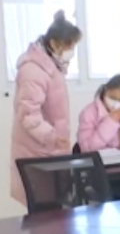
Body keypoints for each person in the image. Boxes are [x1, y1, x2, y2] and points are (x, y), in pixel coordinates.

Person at [9, 10, 82, 205]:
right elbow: (28, 115)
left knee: (57, 209)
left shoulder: (51, 66)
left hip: (51, 151)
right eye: (70, 45)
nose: (72, 51)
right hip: (37, 152)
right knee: (45, 211)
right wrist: (52, 136)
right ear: (55, 43)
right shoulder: (33, 70)